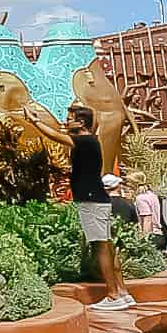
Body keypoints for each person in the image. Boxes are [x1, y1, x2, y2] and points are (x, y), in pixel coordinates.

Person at [66, 106, 131, 309]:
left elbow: (56, 136)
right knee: (108, 244)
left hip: (90, 199)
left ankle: (112, 295)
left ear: (81, 123)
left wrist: (35, 121)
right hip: (99, 197)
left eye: (70, 118)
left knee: (99, 245)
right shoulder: (92, 140)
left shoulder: (82, 141)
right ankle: (122, 291)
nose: (66, 121)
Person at [132, 179, 166, 252]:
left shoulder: (140, 198)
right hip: (159, 234)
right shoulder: (152, 195)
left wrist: (144, 242)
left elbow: (147, 219)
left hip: (151, 237)